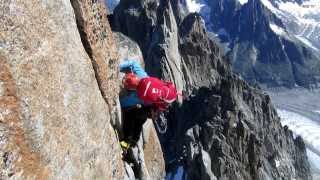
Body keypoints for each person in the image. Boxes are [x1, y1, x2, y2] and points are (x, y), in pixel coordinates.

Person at [119, 60, 178, 149]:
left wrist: (119, 67)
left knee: (132, 115)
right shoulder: (143, 76)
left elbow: (123, 103)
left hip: (151, 105)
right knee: (140, 116)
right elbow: (133, 63)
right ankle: (133, 141)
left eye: (126, 86)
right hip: (154, 100)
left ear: (131, 89)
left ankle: (129, 141)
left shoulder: (138, 97)